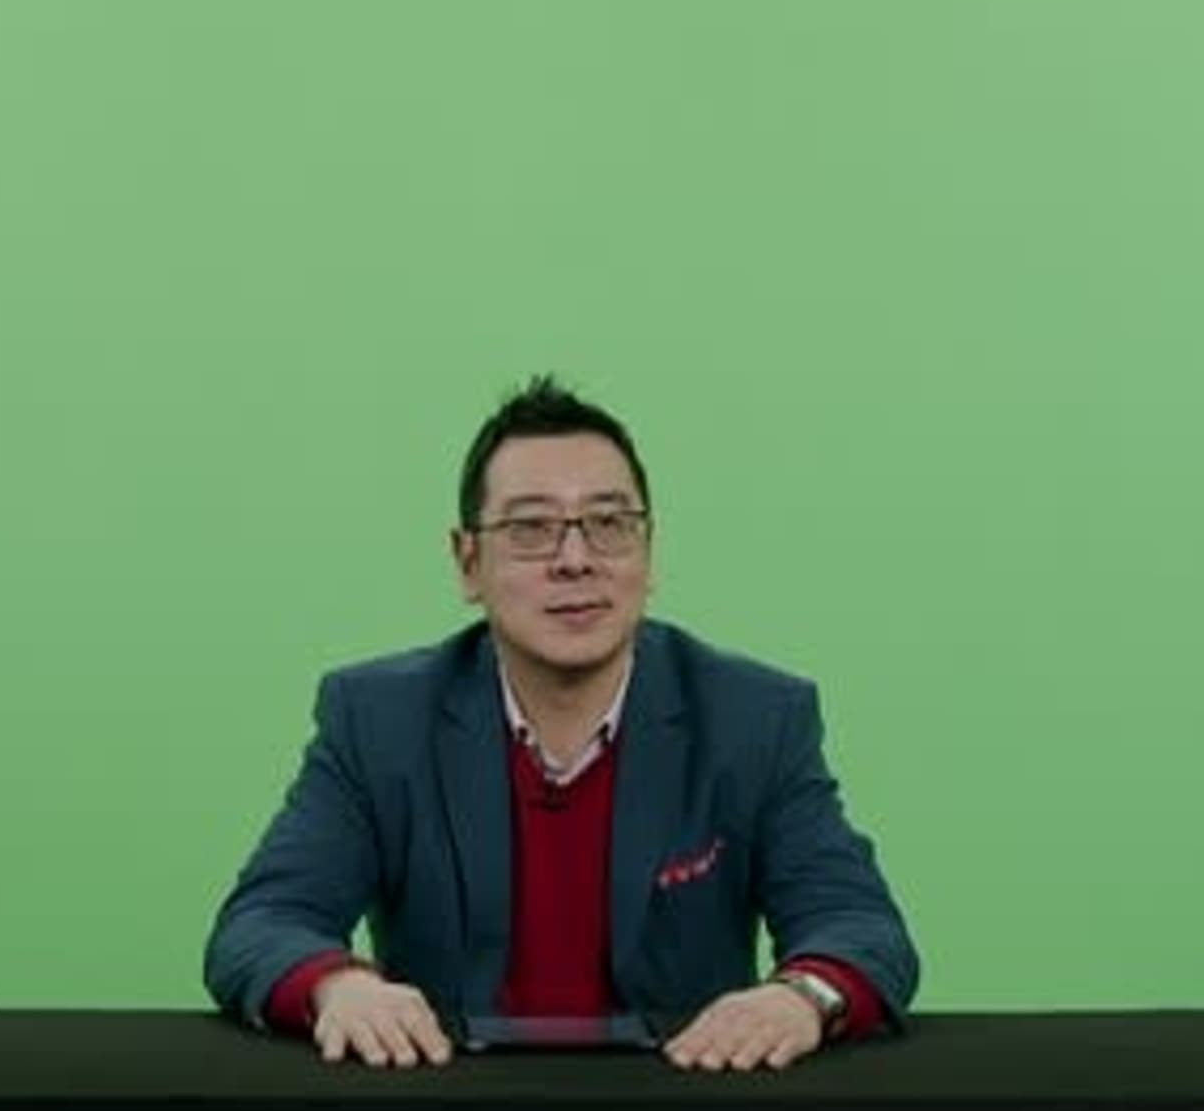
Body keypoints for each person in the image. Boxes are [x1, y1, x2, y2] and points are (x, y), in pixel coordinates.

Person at [206, 376, 917, 1071]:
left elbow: (861, 927)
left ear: (648, 549)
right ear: (467, 562)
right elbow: (260, 924)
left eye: (609, 524)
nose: (575, 561)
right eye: (531, 529)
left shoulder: (752, 718)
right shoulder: (380, 720)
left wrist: (799, 997)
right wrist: (341, 985)